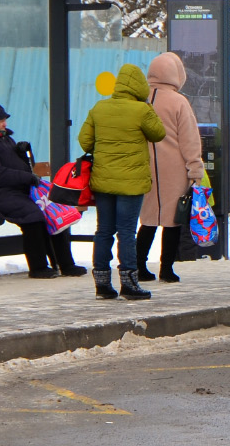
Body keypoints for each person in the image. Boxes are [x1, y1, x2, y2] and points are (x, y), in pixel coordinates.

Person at [0, 103, 85, 279]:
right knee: (32, 215)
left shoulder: (4, 139)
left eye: (4, 120)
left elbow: (25, 168)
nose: (4, 124)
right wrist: (26, 178)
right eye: (0, 121)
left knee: (52, 211)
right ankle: (38, 267)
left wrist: (25, 153)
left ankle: (66, 264)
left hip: (13, 191)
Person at [78, 63, 165, 300]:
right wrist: (147, 108)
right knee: (126, 231)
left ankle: (102, 284)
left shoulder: (99, 108)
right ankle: (129, 283)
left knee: (103, 230)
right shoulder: (142, 110)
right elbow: (158, 134)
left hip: (104, 181)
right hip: (131, 183)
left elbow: (85, 142)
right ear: (139, 87)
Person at [136, 52, 203, 284]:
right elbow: (190, 140)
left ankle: (138, 265)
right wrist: (195, 169)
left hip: (144, 168)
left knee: (148, 220)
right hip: (174, 171)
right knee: (172, 222)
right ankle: (167, 269)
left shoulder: (140, 98)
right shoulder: (179, 102)